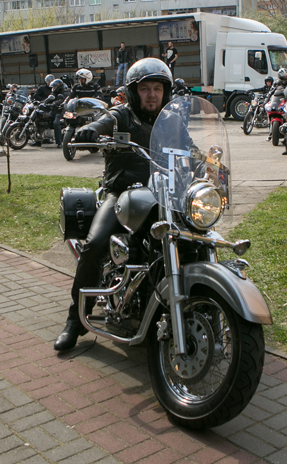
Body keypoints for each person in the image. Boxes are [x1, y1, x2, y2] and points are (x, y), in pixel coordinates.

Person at [54, 57, 173, 352]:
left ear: (165, 92)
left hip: (162, 196)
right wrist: (90, 131)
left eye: (157, 89)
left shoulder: (171, 121)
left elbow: (189, 148)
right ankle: (75, 321)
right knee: (95, 245)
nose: (152, 95)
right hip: (121, 196)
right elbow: (102, 122)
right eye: (145, 89)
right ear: (134, 92)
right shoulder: (121, 115)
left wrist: (205, 162)